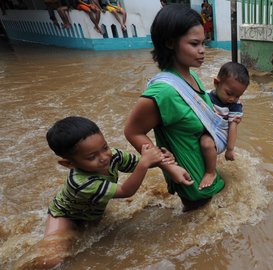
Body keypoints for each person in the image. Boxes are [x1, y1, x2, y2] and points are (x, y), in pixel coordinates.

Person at [18, 116, 175, 268]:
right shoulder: (81, 183)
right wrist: (145, 162)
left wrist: (159, 159)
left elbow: (136, 164)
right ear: (68, 163)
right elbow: (126, 190)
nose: (103, 157)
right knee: (52, 260)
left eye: (105, 147)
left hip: (91, 210)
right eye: (92, 156)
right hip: (67, 216)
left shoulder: (112, 155)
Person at [124, 4, 225, 212]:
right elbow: (132, 131)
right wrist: (169, 166)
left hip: (209, 178)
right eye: (194, 44)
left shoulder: (191, 76)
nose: (202, 51)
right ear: (170, 43)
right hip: (193, 187)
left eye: (203, 43)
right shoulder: (164, 92)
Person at [199, 62, 249, 189]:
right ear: (216, 83)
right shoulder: (205, 96)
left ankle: (210, 173)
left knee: (206, 143)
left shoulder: (234, 106)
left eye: (237, 96)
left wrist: (230, 149)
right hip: (208, 128)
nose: (233, 99)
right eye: (229, 93)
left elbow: (233, 127)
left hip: (221, 136)